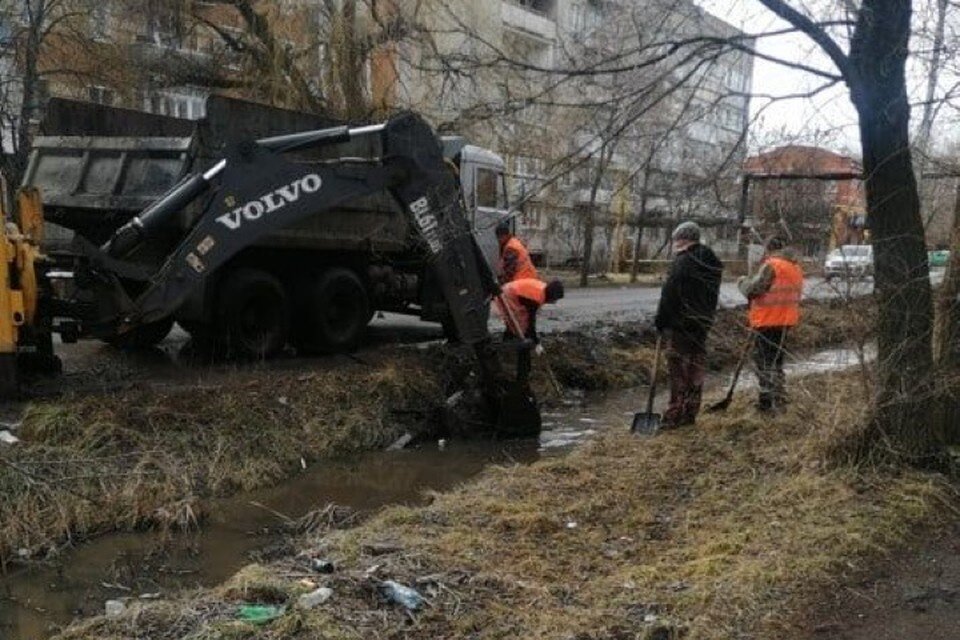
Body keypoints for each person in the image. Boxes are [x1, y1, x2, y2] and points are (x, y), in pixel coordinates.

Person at [654, 221, 724, 428]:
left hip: (681, 324)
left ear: (683, 239)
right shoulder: (712, 263)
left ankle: (674, 415)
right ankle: (690, 412)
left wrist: (660, 322)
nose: (675, 243)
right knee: (695, 369)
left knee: (678, 370)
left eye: (676, 239)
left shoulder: (683, 262)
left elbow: (669, 295)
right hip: (702, 323)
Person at [738, 236, 804, 413]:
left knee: (765, 363)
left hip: (767, 321)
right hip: (785, 321)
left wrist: (742, 282)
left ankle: (767, 404)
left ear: (770, 249)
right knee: (776, 362)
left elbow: (754, 289)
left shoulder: (772, 265)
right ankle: (779, 398)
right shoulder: (795, 267)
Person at [493, 278, 564, 384]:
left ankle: (508, 347)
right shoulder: (534, 298)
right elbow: (531, 324)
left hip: (511, 290)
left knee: (518, 324)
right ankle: (519, 364)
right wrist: (536, 343)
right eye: (555, 299)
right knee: (520, 325)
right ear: (551, 295)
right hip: (509, 295)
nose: (554, 302)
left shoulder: (542, 290)